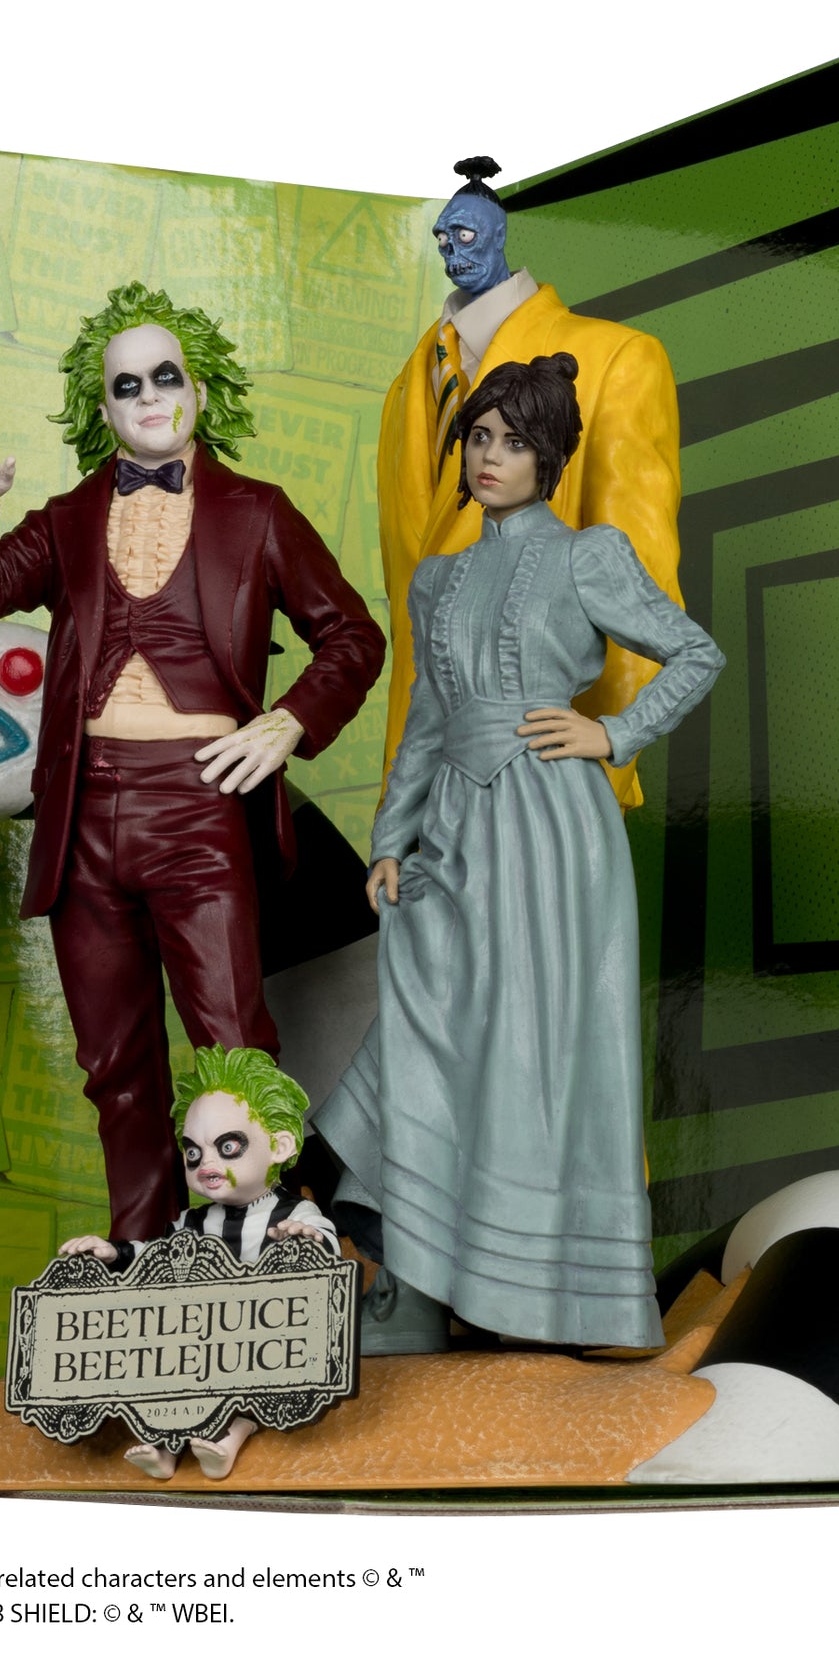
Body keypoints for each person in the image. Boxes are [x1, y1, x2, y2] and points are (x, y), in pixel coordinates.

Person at [0, 282, 384, 1242]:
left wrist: (289, 722)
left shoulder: (257, 512)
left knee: (231, 1037)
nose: (147, 396)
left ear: (198, 393)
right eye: (126, 384)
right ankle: (140, 1252)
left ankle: (258, 1238)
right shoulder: (66, 518)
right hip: (83, 816)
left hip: (199, 805)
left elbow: (352, 636)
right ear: (103, 410)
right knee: (114, 1063)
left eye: (164, 376)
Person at [317, 353, 723, 1352]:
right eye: (478, 437)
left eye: (513, 441)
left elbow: (695, 652)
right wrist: (390, 837)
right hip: (454, 832)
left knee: (536, 1054)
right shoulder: (438, 578)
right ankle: (415, 1287)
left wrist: (612, 734)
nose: (490, 457)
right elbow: (426, 716)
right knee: (428, 1031)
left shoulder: (588, 555)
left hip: (551, 834)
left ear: (549, 457)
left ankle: (548, 1303)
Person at [378, 157, 685, 813]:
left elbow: (644, 583)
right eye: (442, 236)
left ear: (498, 236)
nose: (452, 249)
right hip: (429, 785)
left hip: (545, 788)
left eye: (465, 234)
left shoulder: (617, 360)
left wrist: (599, 776)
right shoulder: (407, 386)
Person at [60, 1045, 337, 1480]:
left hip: (262, 1346)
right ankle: (164, 1446)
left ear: (280, 1145)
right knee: (169, 1373)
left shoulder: (293, 1212)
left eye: (228, 1146)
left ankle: (230, 1438)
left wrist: (306, 1238)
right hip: (201, 1345)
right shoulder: (192, 1221)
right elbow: (156, 1258)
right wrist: (116, 1253)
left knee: (247, 1382)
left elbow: (327, 1249)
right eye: (193, 1152)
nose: (206, 1162)